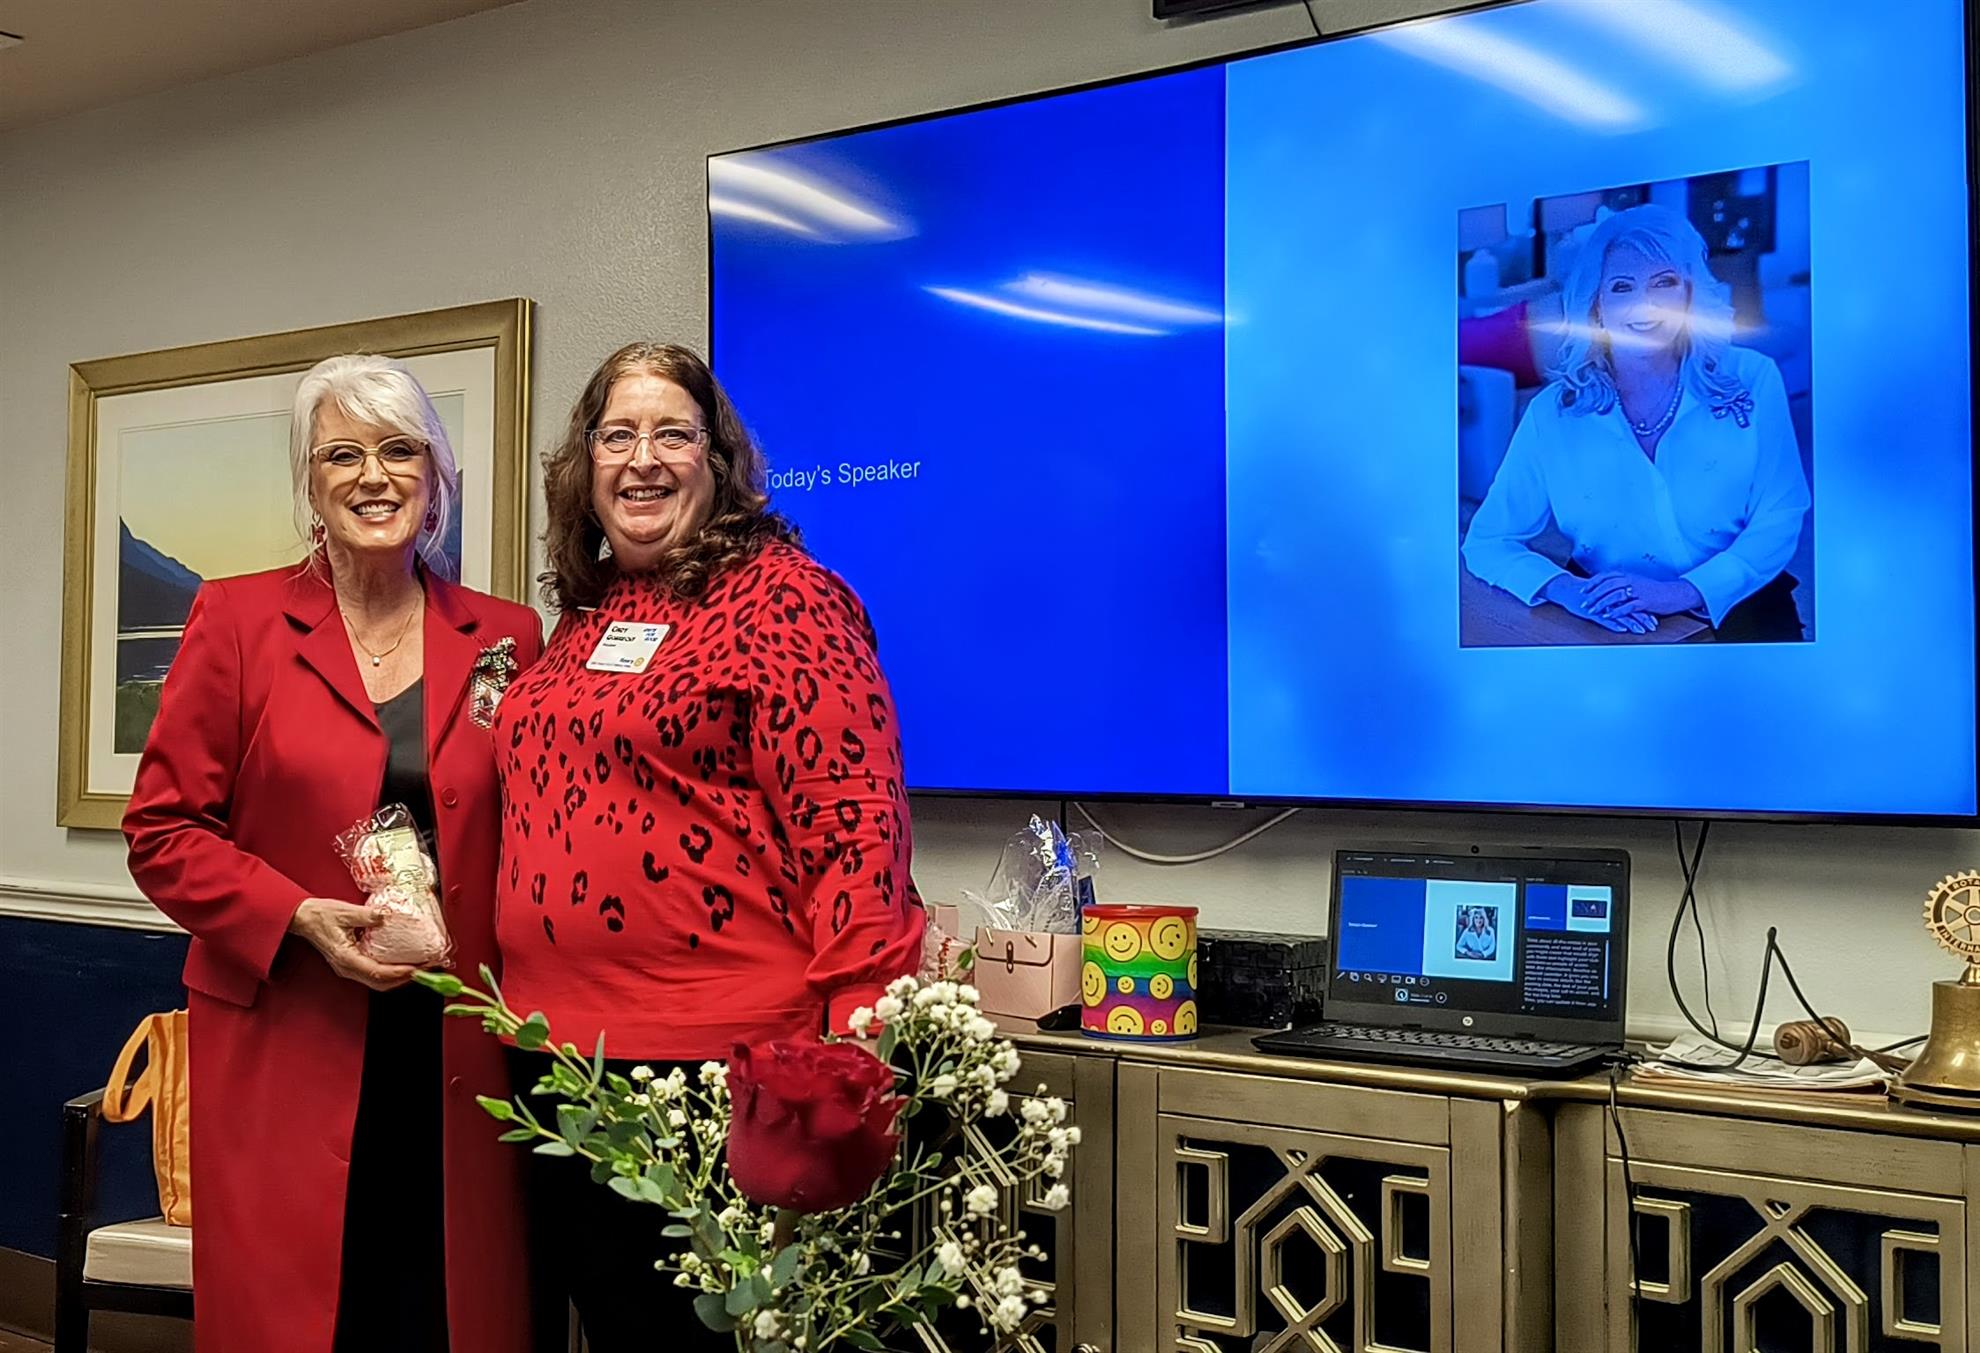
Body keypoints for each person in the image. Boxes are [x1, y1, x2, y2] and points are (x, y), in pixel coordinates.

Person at [494, 341, 926, 1352]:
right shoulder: (589, 615)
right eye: (617, 435)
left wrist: (850, 1049)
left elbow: (855, 829)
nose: (642, 459)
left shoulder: (785, 599)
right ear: (584, 466)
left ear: (718, 461)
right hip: (558, 1059)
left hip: (710, 1070)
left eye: (672, 434)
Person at [124, 355, 543, 1353]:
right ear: (310, 483)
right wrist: (296, 916)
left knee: (444, 1305)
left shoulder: (507, 637)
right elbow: (163, 830)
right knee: (302, 1313)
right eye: (342, 454)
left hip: (457, 1048)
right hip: (288, 1031)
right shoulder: (237, 619)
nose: (373, 476)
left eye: (400, 450)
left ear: (435, 476)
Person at [1462, 203, 1811, 642]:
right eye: (1621, 287)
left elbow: (1781, 513)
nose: (1645, 304)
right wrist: (1567, 590)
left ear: (1689, 294)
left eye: (1664, 283)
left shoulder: (1752, 377)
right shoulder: (1552, 413)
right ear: (1596, 306)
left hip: (1746, 607)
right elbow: (1489, 541)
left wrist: (1680, 593)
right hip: (1607, 613)